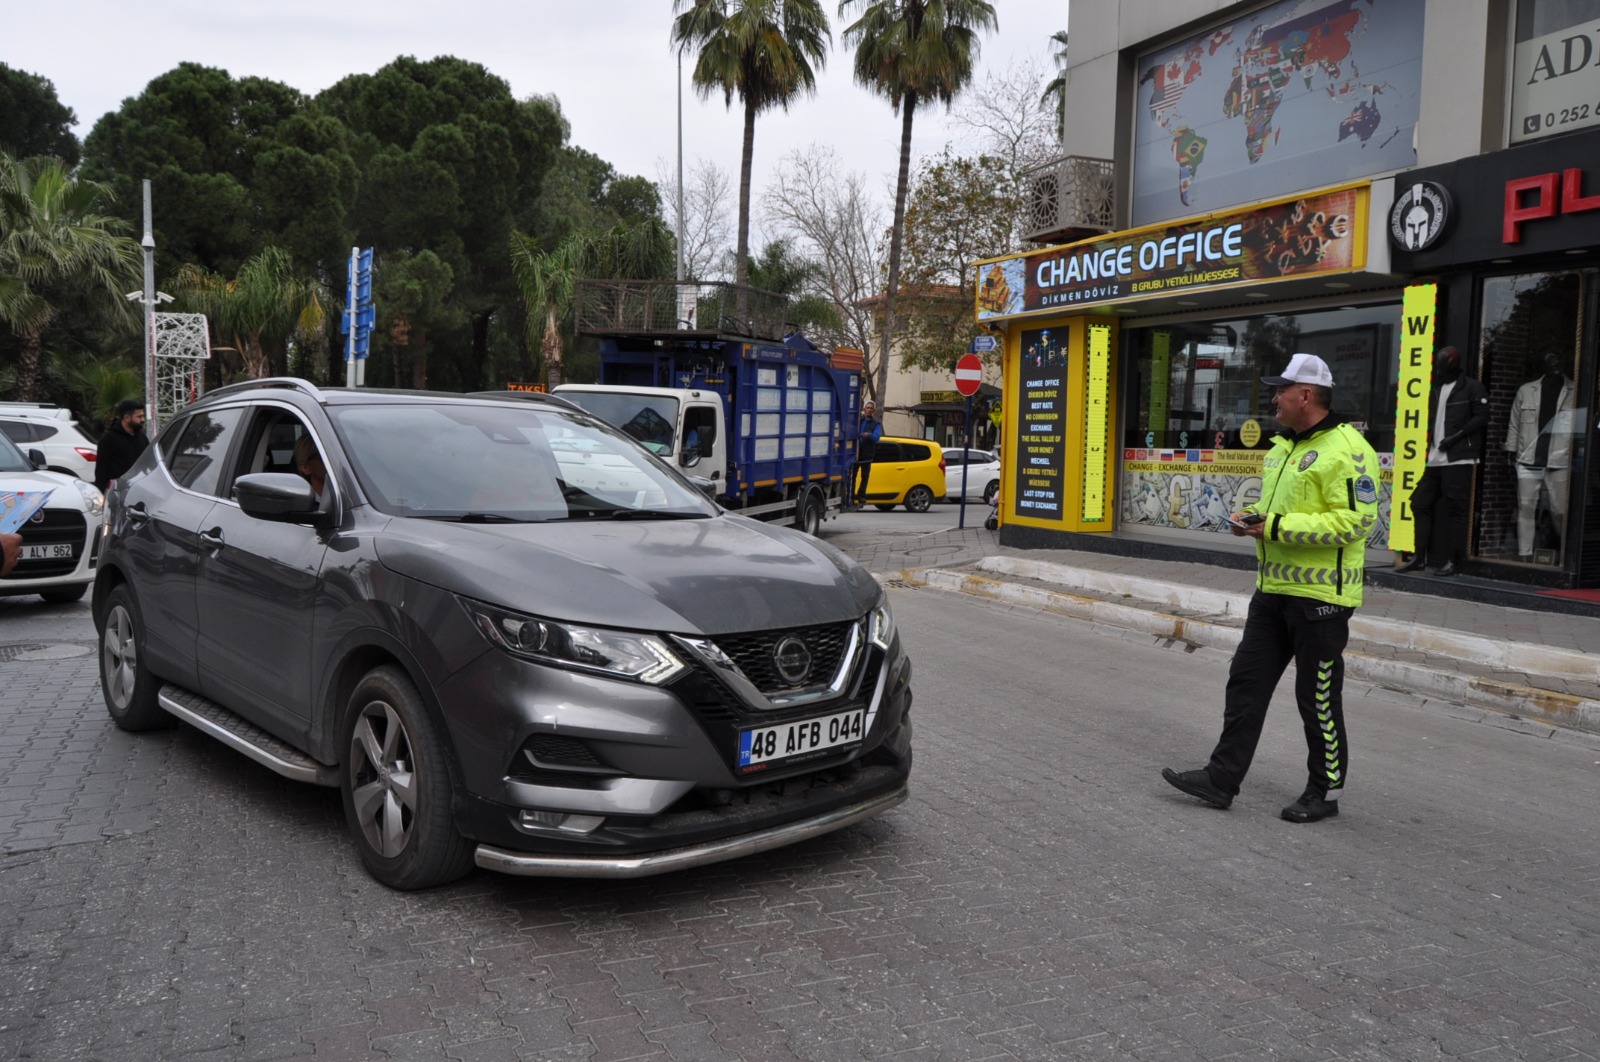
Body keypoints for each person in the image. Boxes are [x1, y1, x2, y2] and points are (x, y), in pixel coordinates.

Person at [1162, 352, 1380, 824]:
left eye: (1281, 389)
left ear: (1306, 395)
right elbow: (1274, 508)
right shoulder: (1283, 447)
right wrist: (1251, 520)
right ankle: (1221, 780)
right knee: (1245, 684)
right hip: (1273, 590)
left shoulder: (1348, 448)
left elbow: (1357, 521)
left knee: (1316, 698)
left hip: (1321, 600)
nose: (1273, 397)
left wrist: (1275, 526)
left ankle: (1325, 792)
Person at [1396, 346, 1488, 577]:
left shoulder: (1471, 387)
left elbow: (1483, 417)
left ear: (1453, 364)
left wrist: (1456, 438)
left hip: (1458, 458)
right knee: (1419, 502)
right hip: (1435, 458)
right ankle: (1419, 557)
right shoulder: (1437, 388)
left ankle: (1453, 561)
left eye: (1444, 364)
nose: (1440, 368)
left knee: (1456, 509)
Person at [1504, 352, 1573, 561]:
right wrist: (1511, 449)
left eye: (1559, 360)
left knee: (1560, 510)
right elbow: (1515, 423)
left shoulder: (1575, 390)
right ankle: (1525, 554)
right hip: (1528, 458)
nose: (1556, 364)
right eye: (1551, 360)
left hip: (1559, 459)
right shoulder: (1526, 391)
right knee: (1526, 507)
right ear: (1543, 365)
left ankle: (1565, 554)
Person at [94, 400, 149, 492]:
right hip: (118, 493)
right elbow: (101, 471)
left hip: (140, 489)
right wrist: (101, 494)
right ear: (127, 418)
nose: (143, 420)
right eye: (139, 417)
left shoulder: (142, 437)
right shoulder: (109, 439)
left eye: (143, 416)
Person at [852, 401, 882, 509]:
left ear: (873, 411)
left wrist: (868, 435)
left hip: (867, 455)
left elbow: (877, 437)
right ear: (864, 410)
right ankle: (851, 496)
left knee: (864, 476)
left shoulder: (876, 424)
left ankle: (861, 497)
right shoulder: (859, 420)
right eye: (867, 408)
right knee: (852, 476)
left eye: (871, 408)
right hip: (856, 453)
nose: (869, 410)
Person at [292, 434, 330, 507]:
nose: (333, 461)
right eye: (323, 456)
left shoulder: (353, 495)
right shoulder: (301, 508)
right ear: (305, 468)